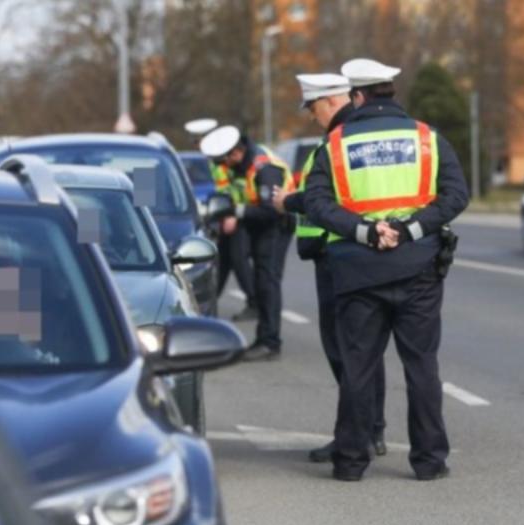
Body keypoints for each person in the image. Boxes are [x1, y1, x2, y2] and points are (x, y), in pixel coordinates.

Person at [303, 58, 469, 482]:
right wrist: (410, 228)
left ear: (357, 96)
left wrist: (364, 232)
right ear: (391, 91)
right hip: (418, 270)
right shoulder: (427, 138)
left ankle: (351, 463)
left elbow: (317, 204)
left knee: (358, 369)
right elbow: (455, 196)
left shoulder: (334, 145)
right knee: (422, 367)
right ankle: (430, 462)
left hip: (358, 274)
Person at [273, 73, 387, 461]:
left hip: (342, 257)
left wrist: (289, 202)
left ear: (332, 101)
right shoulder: (338, 138)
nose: (311, 117)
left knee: (349, 351)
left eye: (313, 108)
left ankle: (359, 436)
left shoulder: (341, 140)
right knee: (356, 350)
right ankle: (367, 431)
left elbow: (325, 198)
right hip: (337, 254)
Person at [201, 126, 293, 360]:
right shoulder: (241, 163)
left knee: (267, 280)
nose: (223, 167)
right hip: (254, 220)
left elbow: (271, 211)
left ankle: (270, 342)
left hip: (276, 224)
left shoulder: (265, 169)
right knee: (243, 267)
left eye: (224, 161)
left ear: (235, 153)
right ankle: (261, 336)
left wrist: (236, 210)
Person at [185, 118, 259, 320]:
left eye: (198, 142)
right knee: (224, 260)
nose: (197, 146)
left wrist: (229, 214)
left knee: (236, 258)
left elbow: (231, 190)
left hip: (235, 214)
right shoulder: (213, 160)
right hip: (226, 214)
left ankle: (254, 302)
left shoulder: (221, 159)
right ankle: (206, 305)